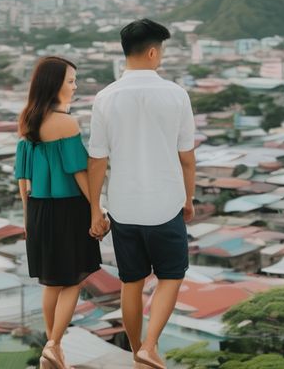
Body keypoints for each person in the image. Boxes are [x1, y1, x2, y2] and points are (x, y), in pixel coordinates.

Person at [88, 19, 197, 369]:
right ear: (153, 51)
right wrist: (189, 199)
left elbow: (97, 161)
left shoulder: (104, 97)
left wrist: (95, 209)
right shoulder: (176, 95)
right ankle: (150, 346)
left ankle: (137, 354)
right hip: (165, 204)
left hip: (123, 207)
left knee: (130, 281)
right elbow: (187, 159)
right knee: (171, 275)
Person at [15, 56, 109, 369]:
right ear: (55, 85)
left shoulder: (27, 121)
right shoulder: (66, 123)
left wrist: (28, 218)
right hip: (68, 209)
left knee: (51, 282)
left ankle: (51, 347)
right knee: (72, 281)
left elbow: (22, 177)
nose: (74, 86)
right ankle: (55, 344)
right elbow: (80, 171)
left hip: (39, 209)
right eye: (70, 81)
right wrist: (97, 210)